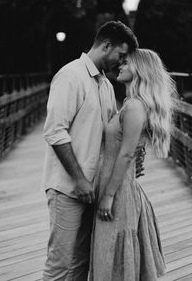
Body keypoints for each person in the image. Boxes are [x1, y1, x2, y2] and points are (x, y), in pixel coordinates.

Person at [42, 21, 143, 280]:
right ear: (106, 46)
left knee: (82, 263)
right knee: (59, 265)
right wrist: (78, 179)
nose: (121, 62)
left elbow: (111, 135)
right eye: (121, 55)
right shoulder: (71, 76)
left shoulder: (105, 86)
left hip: (94, 189)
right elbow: (54, 131)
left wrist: (133, 156)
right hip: (68, 187)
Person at [90, 49, 177, 281]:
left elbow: (126, 154)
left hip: (118, 193)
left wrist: (108, 195)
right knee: (109, 253)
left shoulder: (135, 107)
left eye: (126, 63)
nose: (120, 66)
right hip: (117, 186)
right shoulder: (131, 103)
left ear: (139, 69)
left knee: (111, 254)